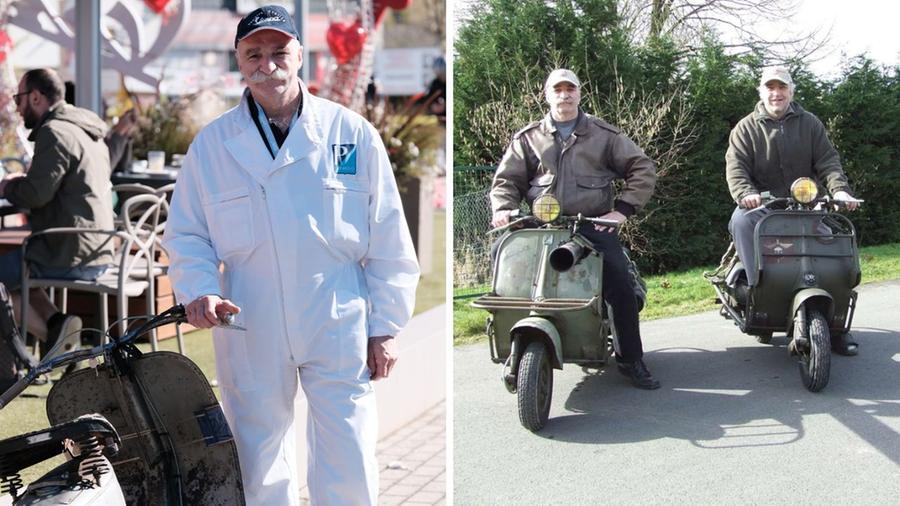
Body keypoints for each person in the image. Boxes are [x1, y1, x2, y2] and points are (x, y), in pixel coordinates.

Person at [161, 5, 419, 505]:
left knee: (349, 451)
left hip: (337, 316)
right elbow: (188, 235)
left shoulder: (352, 134)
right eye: (254, 53)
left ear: (300, 55)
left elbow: (389, 236)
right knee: (257, 456)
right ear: (239, 61)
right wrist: (199, 290)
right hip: (249, 318)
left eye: (279, 51)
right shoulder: (212, 146)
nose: (268, 63)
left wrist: (385, 327)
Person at [490, 68, 660, 389]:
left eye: (571, 89)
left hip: (591, 226)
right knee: (503, 262)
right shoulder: (528, 138)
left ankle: (630, 359)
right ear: (547, 95)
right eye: (558, 90)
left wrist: (621, 211)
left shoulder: (603, 134)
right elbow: (506, 181)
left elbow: (642, 168)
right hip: (539, 226)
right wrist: (503, 210)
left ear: (580, 94)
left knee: (619, 282)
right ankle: (515, 352)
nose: (564, 95)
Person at [725, 66, 860, 356]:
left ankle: (837, 327)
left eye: (782, 87)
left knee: (834, 253)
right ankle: (757, 289)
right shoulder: (745, 128)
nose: (776, 93)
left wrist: (839, 191)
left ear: (791, 91)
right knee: (740, 221)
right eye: (770, 88)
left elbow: (828, 162)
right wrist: (746, 194)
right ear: (761, 92)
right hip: (765, 209)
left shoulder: (810, 123)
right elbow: (736, 168)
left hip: (807, 207)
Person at [0, 68, 115, 355]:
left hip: (68, 249)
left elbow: (36, 195)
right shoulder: (86, 130)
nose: (16, 105)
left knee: (7, 275)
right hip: (98, 247)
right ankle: (58, 327)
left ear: (36, 97)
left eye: (19, 98)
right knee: (14, 273)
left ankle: (59, 352)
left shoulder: (54, 132)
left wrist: (6, 188)